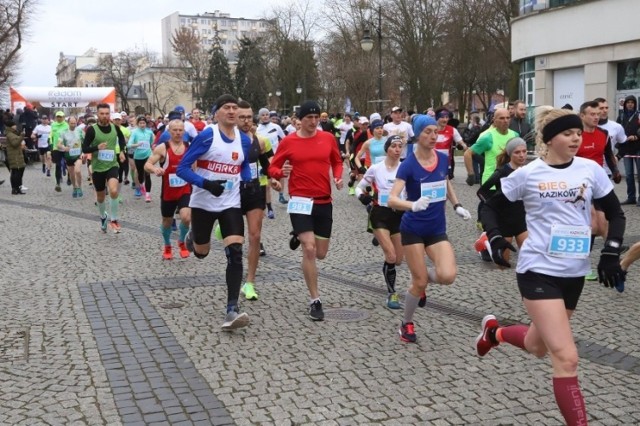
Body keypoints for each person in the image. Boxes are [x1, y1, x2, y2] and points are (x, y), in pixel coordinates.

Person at [475, 106, 626, 426]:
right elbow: (489, 207)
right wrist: (497, 238)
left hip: (573, 274)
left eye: (577, 133)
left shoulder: (589, 170)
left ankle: (495, 333)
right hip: (537, 271)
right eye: (567, 133)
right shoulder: (527, 174)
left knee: (537, 345)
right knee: (566, 357)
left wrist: (611, 253)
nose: (575, 138)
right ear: (549, 139)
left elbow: (617, 214)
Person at [387, 114, 471, 343]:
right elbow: (392, 200)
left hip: (436, 229)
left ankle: (421, 283)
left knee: (447, 275)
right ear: (417, 134)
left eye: (436, 131)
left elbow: (445, 182)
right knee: (420, 281)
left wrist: (457, 205)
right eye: (428, 132)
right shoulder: (408, 165)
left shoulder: (442, 159)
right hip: (413, 230)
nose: (434, 136)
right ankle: (406, 323)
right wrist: (412, 205)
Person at [177, 94, 252, 331]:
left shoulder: (245, 139)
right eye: (226, 108)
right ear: (217, 113)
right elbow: (182, 168)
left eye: (234, 108)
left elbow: (244, 165)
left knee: (236, 253)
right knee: (201, 252)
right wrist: (205, 184)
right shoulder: (208, 135)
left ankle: (232, 309)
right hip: (203, 203)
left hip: (231, 202)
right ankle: (192, 239)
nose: (232, 112)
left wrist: (247, 181)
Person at [268, 100, 344, 321]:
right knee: (309, 249)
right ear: (299, 120)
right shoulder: (289, 142)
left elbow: (336, 161)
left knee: (321, 253)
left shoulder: (327, 138)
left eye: (316, 118)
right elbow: (272, 168)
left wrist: (338, 175)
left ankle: (298, 233)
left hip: (323, 201)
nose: (313, 122)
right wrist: (280, 171)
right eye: (308, 118)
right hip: (300, 201)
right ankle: (315, 300)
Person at [356, 135, 405, 309]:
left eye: (400, 146)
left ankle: (387, 260)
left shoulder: (405, 168)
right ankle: (392, 294)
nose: (398, 149)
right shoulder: (376, 168)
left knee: (398, 260)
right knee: (390, 255)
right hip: (379, 214)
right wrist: (363, 197)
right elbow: (359, 187)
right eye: (394, 146)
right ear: (387, 149)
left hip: (399, 215)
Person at [236, 101, 274, 301]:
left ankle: (249, 282)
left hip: (255, 190)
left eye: (249, 117)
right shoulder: (228, 139)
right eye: (241, 117)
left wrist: (274, 178)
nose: (245, 121)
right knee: (234, 237)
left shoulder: (260, 141)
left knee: (255, 235)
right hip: (233, 192)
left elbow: (268, 163)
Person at [476, 137, 529, 266]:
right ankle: (486, 243)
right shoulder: (502, 172)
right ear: (510, 154)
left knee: (530, 259)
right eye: (517, 152)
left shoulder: (529, 171)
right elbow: (481, 191)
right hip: (504, 221)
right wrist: (493, 204)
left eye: (524, 151)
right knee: (503, 263)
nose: (522, 155)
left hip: (522, 220)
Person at [144, 119, 192, 260]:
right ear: (169, 131)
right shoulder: (163, 147)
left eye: (180, 130)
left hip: (185, 189)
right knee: (167, 221)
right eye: (174, 130)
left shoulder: (189, 147)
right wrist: (155, 169)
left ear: (184, 131)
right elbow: (147, 164)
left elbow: (196, 166)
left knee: (186, 217)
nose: (178, 133)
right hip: (168, 192)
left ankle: (182, 241)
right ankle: (167, 245)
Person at [82, 103, 127, 233]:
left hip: (112, 164)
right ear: (98, 114)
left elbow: (122, 139)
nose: (105, 116)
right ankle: (103, 216)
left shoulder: (115, 127)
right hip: (98, 168)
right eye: (102, 114)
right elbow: (84, 148)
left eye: (107, 114)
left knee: (113, 191)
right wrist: (97, 147)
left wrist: (123, 151)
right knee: (100, 197)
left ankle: (114, 220)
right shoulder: (92, 130)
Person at [257, 107, 286, 212]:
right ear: (259, 117)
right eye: (263, 115)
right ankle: (268, 206)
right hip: (264, 158)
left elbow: (284, 139)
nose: (265, 117)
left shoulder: (276, 127)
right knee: (267, 183)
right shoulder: (257, 129)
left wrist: (284, 152)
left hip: (277, 156)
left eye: (267, 115)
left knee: (280, 175)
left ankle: (281, 194)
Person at [615, 95, 640, 205]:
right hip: (625, 149)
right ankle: (631, 197)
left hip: (638, 148)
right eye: (628, 102)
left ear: (635, 104)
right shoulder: (621, 116)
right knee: (629, 175)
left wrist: (636, 137)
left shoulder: (639, 115)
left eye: (632, 102)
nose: (630, 104)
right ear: (625, 104)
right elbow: (616, 130)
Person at [434, 107, 467, 179]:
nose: (445, 119)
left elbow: (460, 142)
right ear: (437, 118)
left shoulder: (452, 130)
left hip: (445, 162)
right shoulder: (431, 129)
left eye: (447, 117)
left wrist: (465, 147)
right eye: (442, 117)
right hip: (431, 161)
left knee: (445, 182)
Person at [127, 115, 155, 202]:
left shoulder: (149, 131)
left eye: (144, 123)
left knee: (147, 174)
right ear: (138, 124)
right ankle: (141, 184)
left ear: (146, 124)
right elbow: (128, 145)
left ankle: (148, 195)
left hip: (148, 155)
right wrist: (136, 145)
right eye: (140, 123)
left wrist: (152, 147)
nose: (142, 125)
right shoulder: (135, 132)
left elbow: (151, 142)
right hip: (138, 156)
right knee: (140, 174)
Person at [57, 116, 85, 198]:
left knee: (78, 171)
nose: (73, 125)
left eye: (75, 123)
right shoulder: (63, 132)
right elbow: (58, 144)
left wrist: (84, 152)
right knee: (72, 173)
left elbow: (85, 142)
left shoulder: (80, 131)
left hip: (78, 154)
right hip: (69, 155)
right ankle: (74, 187)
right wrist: (63, 147)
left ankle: (79, 187)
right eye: (71, 123)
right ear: (68, 123)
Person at [49, 111, 70, 192]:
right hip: (56, 148)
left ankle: (69, 177)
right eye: (58, 116)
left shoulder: (66, 125)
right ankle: (58, 183)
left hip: (64, 148)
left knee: (68, 164)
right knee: (58, 165)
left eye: (61, 117)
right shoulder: (53, 125)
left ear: (63, 117)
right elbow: (51, 135)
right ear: (56, 117)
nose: (59, 118)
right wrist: (50, 144)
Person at [5, 121, 27, 195]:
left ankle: (17, 188)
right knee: (16, 172)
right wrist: (21, 136)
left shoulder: (13, 133)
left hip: (17, 155)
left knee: (19, 171)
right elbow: (15, 143)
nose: (16, 126)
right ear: (11, 126)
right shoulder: (10, 134)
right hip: (14, 156)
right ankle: (15, 189)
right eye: (14, 125)